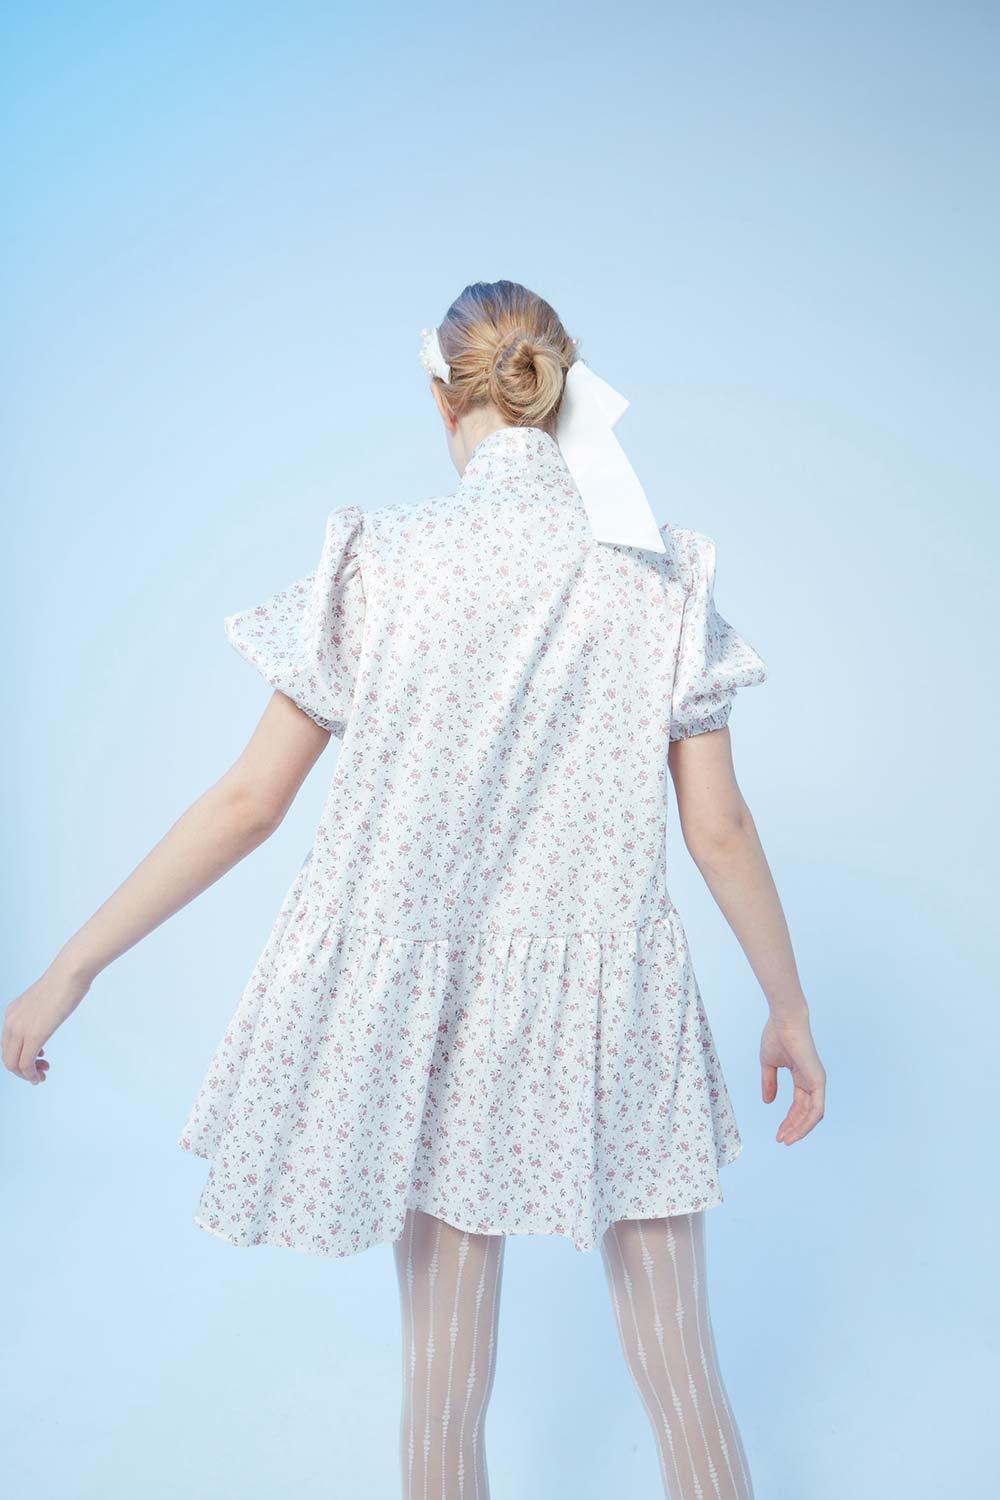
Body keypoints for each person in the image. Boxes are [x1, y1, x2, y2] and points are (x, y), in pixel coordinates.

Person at [4, 279, 826, 1499]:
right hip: (618, 1009)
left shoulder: (383, 561)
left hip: (436, 1021)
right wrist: (787, 1007)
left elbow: (248, 804)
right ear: (560, 396)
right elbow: (719, 827)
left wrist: (70, 968)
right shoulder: (661, 575)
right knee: (681, 1372)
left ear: (443, 399)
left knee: (441, 1393)